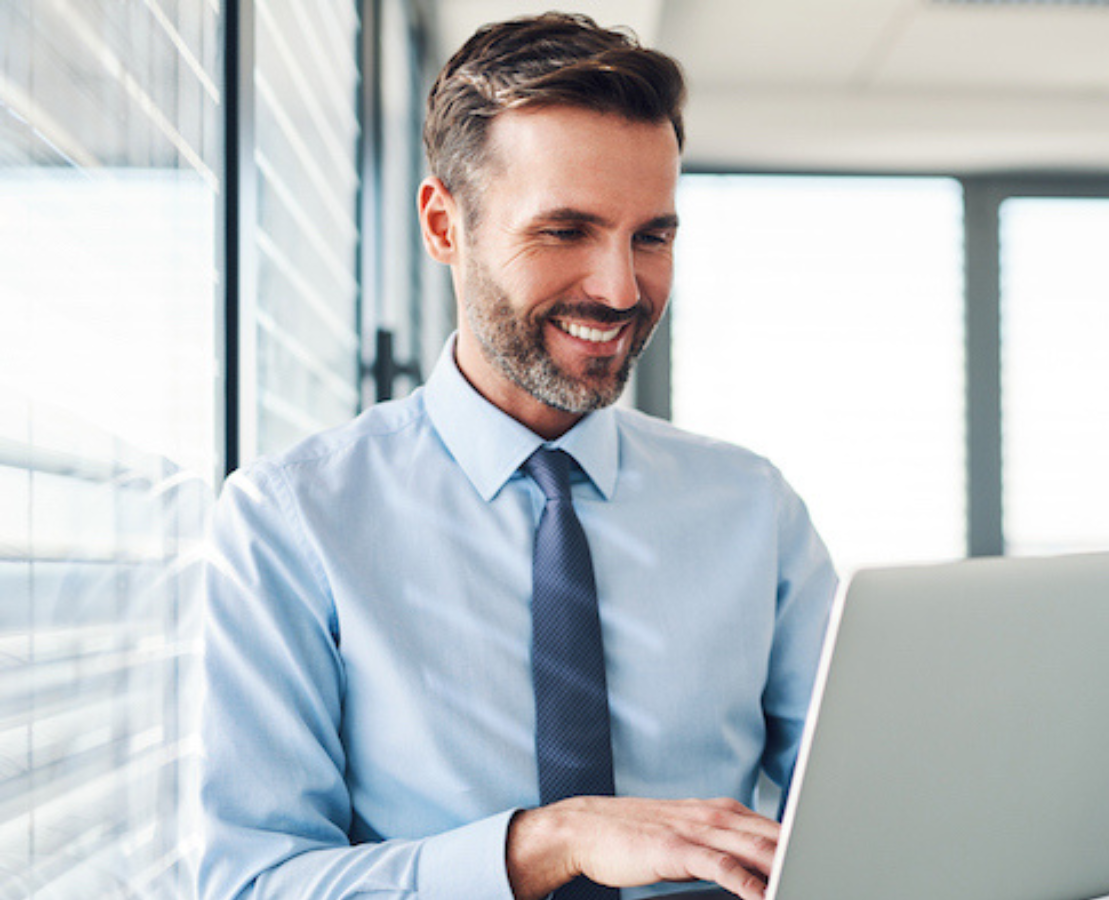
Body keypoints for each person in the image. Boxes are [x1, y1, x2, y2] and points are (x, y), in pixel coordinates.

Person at [198, 13, 837, 900]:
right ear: (443, 226)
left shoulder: (751, 509)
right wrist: (547, 844)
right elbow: (251, 883)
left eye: (651, 235)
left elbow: (864, 815)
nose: (619, 289)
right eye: (566, 230)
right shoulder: (291, 520)